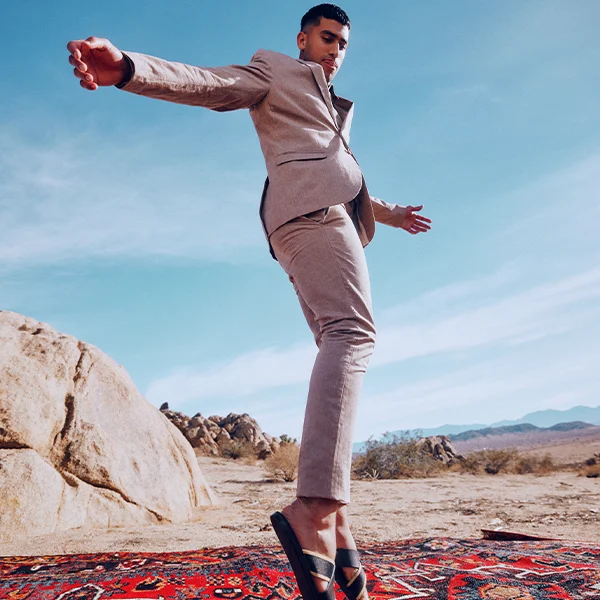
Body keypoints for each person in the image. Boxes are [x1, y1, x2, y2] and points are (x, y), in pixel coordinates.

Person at [67, 4, 431, 599]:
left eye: (343, 43)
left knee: (335, 340)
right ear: (303, 39)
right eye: (327, 38)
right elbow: (213, 84)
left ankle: (336, 522)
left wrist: (386, 213)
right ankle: (314, 506)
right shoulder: (276, 71)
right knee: (353, 335)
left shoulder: (332, 102)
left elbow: (336, 167)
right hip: (312, 217)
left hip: (307, 218)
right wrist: (129, 67)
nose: (336, 49)